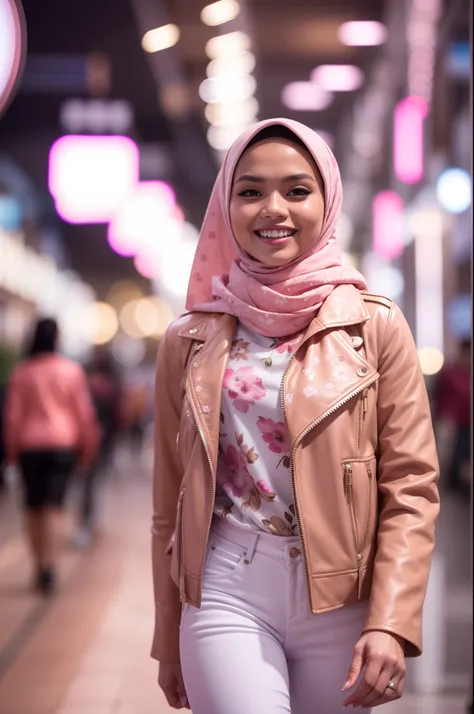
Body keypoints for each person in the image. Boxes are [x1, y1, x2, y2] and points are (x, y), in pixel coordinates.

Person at [151, 119, 440, 713]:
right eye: (250, 190)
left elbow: (410, 485)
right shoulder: (189, 338)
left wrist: (391, 620)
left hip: (344, 599)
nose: (272, 209)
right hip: (225, 584)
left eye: (297, 190)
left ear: (327, 201)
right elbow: (168, 503)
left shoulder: (374, 326)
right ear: (225, 204)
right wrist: (167, 637)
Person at [3, 317, 99, 594]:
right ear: (57, 339)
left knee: (33, 507)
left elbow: (12, 417)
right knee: (54, 506)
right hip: (63, 446)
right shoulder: (71, 371)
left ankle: (37, 566)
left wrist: (10, 455)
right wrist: (87, 448)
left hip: (28, 447)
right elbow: (84, 415)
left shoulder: (22, 372)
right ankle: (51, 566)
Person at [74, 350, 122, 548]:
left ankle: (84, 523)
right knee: (96, 482)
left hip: (84, 441)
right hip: (104, 442)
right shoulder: (112, 387)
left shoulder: (85, 385)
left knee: (83, 482)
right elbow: (119, 415)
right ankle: (93, 522)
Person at [433, 338, 470, 496]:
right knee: (448, 455)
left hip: (467, 423)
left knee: (463, 456)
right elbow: (438, 395)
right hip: (449, 422)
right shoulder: (450, 373)